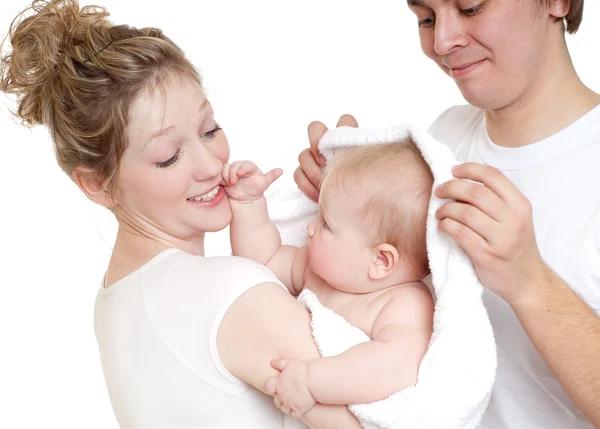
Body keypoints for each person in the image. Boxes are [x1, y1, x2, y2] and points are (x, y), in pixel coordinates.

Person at [0, 1, 363, 428]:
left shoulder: (113, 303)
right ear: (96, 183)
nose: (211, 165)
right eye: (169, 157)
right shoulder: (232, 292)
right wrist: (370, 206)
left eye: (210, 130)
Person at [294, 1, 600, 428]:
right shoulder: (440, 142)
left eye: (470, 7)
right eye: (426, 18)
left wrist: (530, 283)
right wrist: (338, 199)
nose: (441, 41)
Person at [222, 141, 434, 418]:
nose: (310, 228)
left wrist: (311, 381)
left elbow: (396, 366)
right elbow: (264, 260)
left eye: (326, 224)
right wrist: (248, 206)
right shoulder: (317, 272)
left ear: (381, 261)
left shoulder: (404, 304)